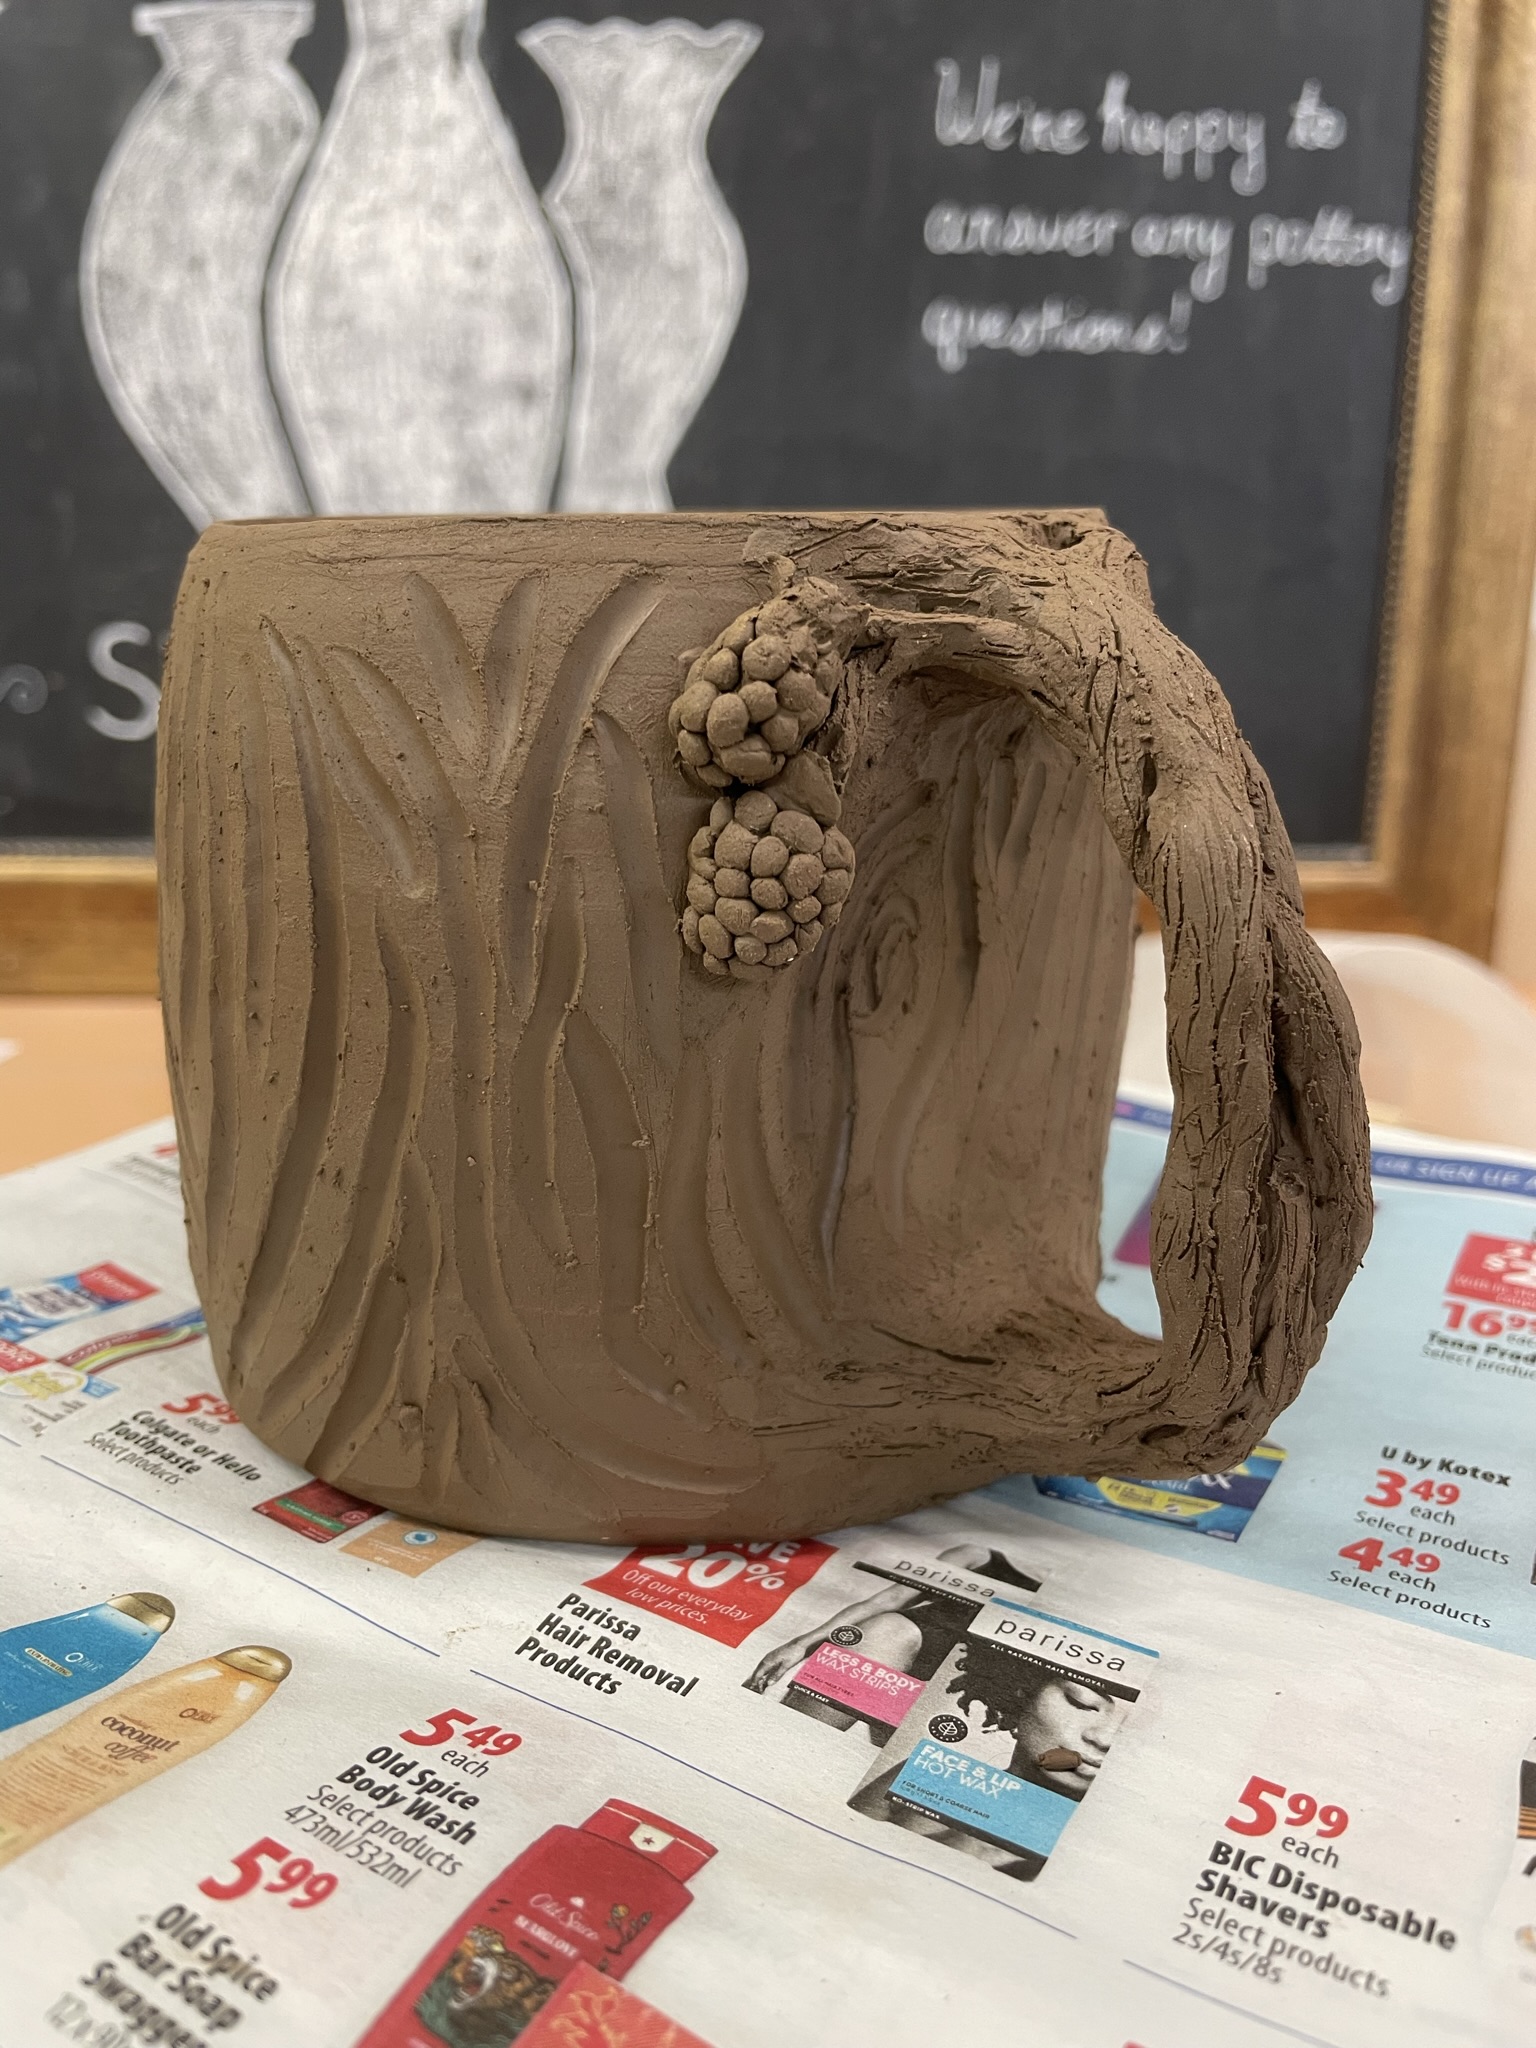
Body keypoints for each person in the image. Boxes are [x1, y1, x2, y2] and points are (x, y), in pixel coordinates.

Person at [847, 1636, 1127, 1880]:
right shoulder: (925, 1773)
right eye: (1082, 1702)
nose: (1104, 1739)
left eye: (1131, 1731)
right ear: (1022, 1693)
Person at [741, 1541, 1039, 1739]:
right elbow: (888, 1600)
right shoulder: (977, 1555)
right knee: (792, 1738)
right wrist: (800, 1645)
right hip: (905, 1636)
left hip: (974, 1679)